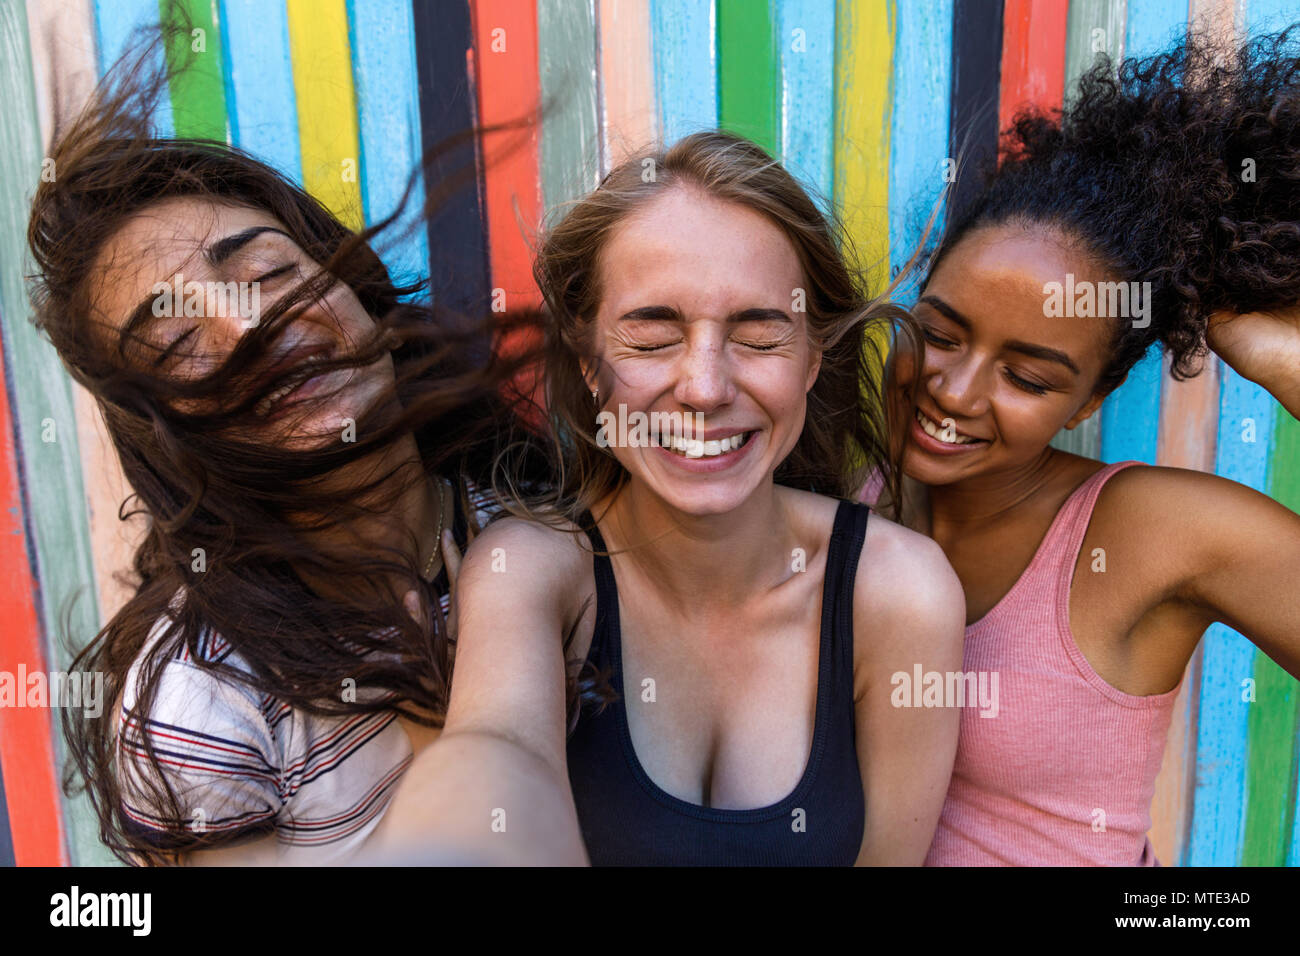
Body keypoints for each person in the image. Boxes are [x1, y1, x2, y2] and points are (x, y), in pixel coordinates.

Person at [374, 131, 967, 866]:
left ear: (814, 359)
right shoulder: (531, 571)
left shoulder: (903, 592)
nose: (706, 387)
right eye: (652, 337)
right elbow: (495, 761)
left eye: (759, 336)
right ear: (588, 363)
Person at [31, 49, 543, 864]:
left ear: (358, 288)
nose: (250, 329)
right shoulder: (200, 708)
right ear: (165, 437)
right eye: (177, 345)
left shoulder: (540, 510)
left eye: (267, 271)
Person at [876, 30, 1300, 865]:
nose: (955, 393)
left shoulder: (1149, 533)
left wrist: (1287, 366)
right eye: (939, 332)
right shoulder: (840, 491)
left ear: (1094, 399)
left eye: (1028, 378)